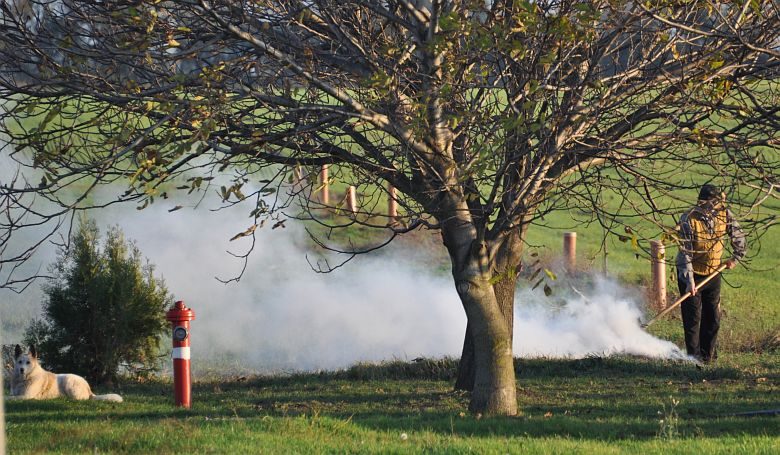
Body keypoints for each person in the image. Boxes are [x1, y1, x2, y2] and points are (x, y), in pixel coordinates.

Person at [675, 184, 746, 363]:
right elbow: (685, 253)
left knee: (713, 317)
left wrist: (735, 258)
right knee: (693, 319)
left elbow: (739, 238)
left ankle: (708, 356)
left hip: (714, 272)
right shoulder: (688, 219)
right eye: (714, 204)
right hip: (691, 273)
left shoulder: (725, 214)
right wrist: (689, 282)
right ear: (704, 203)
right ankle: (694, 358)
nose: (717, 207)